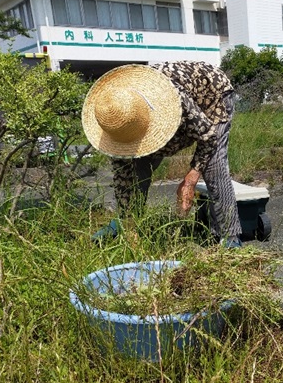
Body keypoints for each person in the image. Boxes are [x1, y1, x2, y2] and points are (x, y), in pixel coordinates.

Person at [82, 61, 243, 248]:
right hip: (153, 113)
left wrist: (190, 180)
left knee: (213, 164)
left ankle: (230, 236)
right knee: (134, 168)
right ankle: (126, 222)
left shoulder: (171, 100)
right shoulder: (116, 121)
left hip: (210, 93)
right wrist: (129, 226)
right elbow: (123, 179)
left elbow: (208, 138)